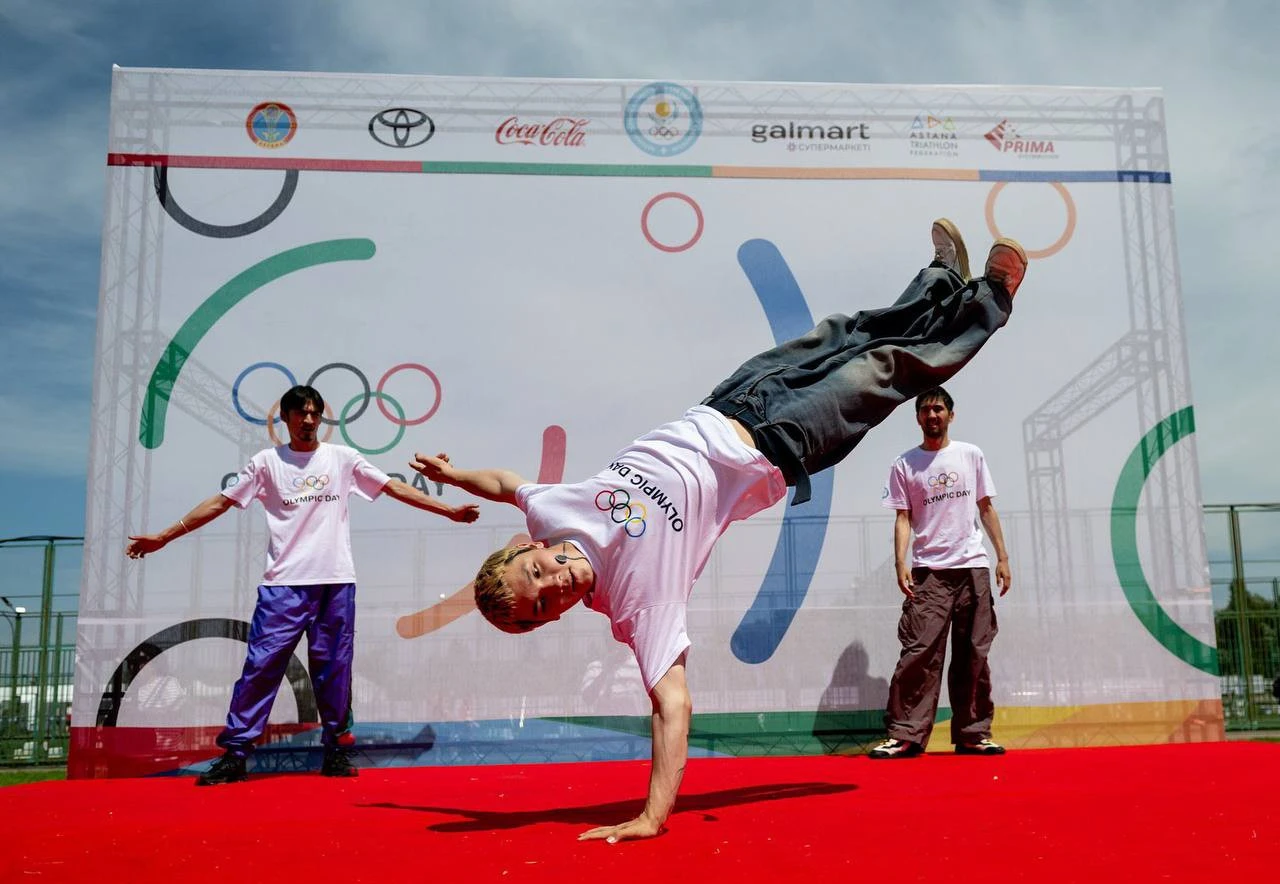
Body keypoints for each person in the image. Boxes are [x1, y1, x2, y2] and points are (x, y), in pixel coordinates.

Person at [411, 219, 1026, 841]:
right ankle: (991, 301)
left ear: (530, 547)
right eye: (544, 603)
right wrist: (652, 817)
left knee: (851, 332)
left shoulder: (553, 512)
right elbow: (672, 707)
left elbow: (505, 484)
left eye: (535, 574)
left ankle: (941, 281)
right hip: (785, 442)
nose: (555, 583)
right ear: (552, 619)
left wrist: (454, 474)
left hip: (732, 398)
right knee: (887, 369)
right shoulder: (634, 605)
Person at [126, 384, 480, 785]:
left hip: (335, 584)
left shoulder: (342, 459)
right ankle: (236, 754)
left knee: (334, 670)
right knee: (261, 667)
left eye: (315, 413)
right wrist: (165, 536)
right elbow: (220, 502)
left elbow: (393, 488)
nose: (309, 420)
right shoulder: (266, 464)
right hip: (284, 587)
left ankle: (335, 750)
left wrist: (448, 511)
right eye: (301, 413)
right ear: (287, 419)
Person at [870, 386, 1011, 759]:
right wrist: (900, 563)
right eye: (925, 410)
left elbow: (986, 507)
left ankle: (973, 733)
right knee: (919, 653)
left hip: (972, 567)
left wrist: (1002, 557)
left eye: (938, 409)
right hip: (929, 572)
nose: (932, 415)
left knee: (974, 654)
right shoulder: (905, 464)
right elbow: (903, 517)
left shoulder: (970, 455)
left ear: (951, 414)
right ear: (918, 418)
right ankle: (905, 735)